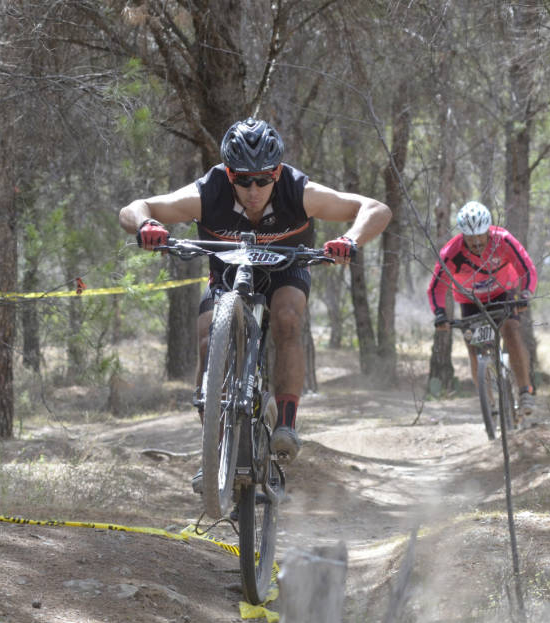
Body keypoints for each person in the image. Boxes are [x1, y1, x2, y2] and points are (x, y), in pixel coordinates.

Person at [119, 117, 391, 466]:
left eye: (263, 179)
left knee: (287, 318)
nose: (254, 189)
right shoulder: (208, 192)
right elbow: (136, 207)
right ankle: (216, 457)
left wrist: (349, 239)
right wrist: (147, 224)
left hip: (285, 271)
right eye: (242, 179)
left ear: (277, 172)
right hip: (227, 275)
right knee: (206, 338)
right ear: (228, 174)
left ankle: (287, 425)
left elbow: (375, 209)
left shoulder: (299, 191)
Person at [427, 201, 539, 417]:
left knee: (511, 332)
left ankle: (525, 392)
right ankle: (489, 405)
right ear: (462, 235)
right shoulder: (451, 252)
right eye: (470, 237)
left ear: (488, 230)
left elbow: (527, 268)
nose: (477, 241)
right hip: (470, 301)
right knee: (475, 348)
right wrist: (440, 314)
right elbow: (436, 288)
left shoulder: (504, 240)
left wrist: (526, 293)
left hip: (503, 292)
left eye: (481, 235)